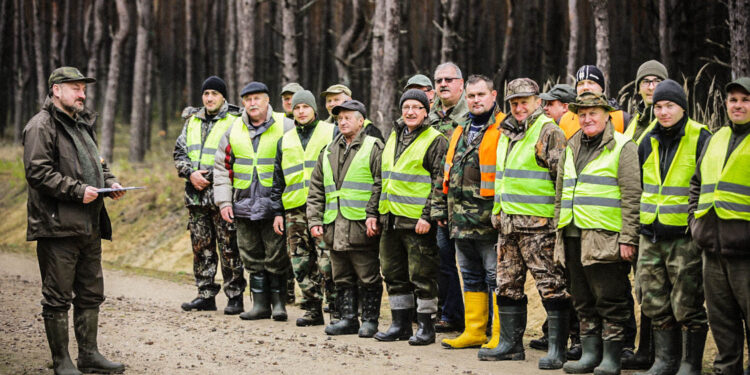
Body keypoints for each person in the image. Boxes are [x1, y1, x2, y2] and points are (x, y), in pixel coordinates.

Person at [23, 66, 126, 375]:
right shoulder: (41, 126)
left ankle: (89, 355)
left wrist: (111, 182)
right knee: (57, 297)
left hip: (89, 225)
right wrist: (78, 191)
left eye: (83, 89)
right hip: (57, 227)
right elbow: (38, 172)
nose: (82, 94)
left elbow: (96, 163)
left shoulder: (81, 124)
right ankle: (61, 362)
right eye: (76, 88)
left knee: (90, 292)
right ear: (56, 90)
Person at [477, 78, 571, 370]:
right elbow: (503, 177)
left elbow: (562, 182)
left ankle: (558, 350)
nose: (518, 107)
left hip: (539, 227)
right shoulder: (506, 133)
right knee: (507, 286)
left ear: (538, 102)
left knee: (551, 286)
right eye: (514, 102)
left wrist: (559, 223)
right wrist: (497, 210)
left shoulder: (549, 132)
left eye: (524, 101)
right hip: (508, 226)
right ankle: (510, 345)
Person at [555, 92, 641, 375]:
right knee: (582, 299)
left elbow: (632, 196)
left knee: (611, 299)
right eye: (582, 114)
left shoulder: (622, 146)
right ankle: (590, 354)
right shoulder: (572, 144)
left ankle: (612, 357)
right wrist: (559, 227)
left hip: (605, 236)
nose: (587, 118)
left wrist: (629, 238)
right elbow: (561, 191)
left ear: (607, 115)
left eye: (593, 113)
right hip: (572, 233)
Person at [636, 79, 711, 375]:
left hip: (684, 236)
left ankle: (690, 364)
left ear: (682, 107)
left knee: (687, 303)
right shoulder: (647, 139)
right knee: (652, 300)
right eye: (658, 106)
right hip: (651, 235)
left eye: (669, 106)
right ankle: (664, 361)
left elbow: (707, 187)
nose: (663, 112)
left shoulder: (701, 137)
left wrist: (697, 228)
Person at [435, 74, 505, 350]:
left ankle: (501, 334)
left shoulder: (504, 128)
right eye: (472, 96)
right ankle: (474, 331)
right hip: (461, 221)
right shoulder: (460, 128)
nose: (476, 100)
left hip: (489, 221)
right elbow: (447, 171)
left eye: (481, 95)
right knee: (471, 277)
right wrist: (444, 209)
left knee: (495, 278)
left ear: (493, 95)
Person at [213, 81, 294, 322]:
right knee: (250, 256)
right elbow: (222, 168)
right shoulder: (233, 129)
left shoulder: (285, 125)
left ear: (267, 100)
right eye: (247, 99)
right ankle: (259, 305)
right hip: (243, 205)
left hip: (274, 205)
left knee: (276, 256)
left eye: (257, 98)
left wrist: (285, 205)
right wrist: (224, 202)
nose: (252, 103)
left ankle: (279, 305)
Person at [307, 100, 385, 338]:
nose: (342, 122)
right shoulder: (328, 150)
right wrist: (314, 220)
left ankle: (370, 320)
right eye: (339, 118)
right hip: (333, 225)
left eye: (348, 117)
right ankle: (348, 319)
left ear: (361, 121)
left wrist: (373, 214)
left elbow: (380, 184)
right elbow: (317, 189)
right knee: (340, 276)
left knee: (368, 275)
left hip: (361, 225)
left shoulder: (374, 147)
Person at [375, 89, 447, 345]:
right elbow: (381, 178)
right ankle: (399, 324)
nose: (410, 112)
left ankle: (426, 327)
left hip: (417, 222)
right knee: (393, 274)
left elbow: (440, 182)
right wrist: (373, 212)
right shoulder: (394, 135)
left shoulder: (435, 139)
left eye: (417, 107)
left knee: (422, 276)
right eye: (406, 107)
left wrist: (427, 216)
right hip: (390, 219)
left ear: (426, 111)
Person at [689, 77, 750, 375]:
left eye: (745, 100)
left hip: (745, 252)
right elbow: (697, 184)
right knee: (722, 322)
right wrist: (694, 222)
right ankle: (727, 370)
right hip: (712, 250)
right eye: (733, 100)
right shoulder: (716, 138)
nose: (738, 105)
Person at [174, 76, 247, 315]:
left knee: (229, 248)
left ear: (223, 96)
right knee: (201, 247)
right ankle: (205, 294)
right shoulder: (192, 121)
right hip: (195, 198)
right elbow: (179, 152)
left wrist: (214, 178)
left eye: (214, 94)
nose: (209, 98)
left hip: (223, 196)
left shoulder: (235, 120)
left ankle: (235, 296)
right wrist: (190, 173)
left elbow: (240, 156)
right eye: (206, 94)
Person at [271, 90, 337, 327]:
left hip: (324, 207)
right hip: (294, 209)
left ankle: (337, 310)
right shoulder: (285, 140)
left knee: (327, 261)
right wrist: (277, 212)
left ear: (314, 109)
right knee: (300, 262)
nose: (300, 111)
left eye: (305, 107)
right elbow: (278, 179)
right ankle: (312, 309)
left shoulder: (331, 132)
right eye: (296, 107)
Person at [531, 82, 582, 360]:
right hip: (557, 218)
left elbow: (559, 179)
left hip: (562, 219)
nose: (546, 108)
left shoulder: (563, 133)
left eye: (551, 104)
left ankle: (575, 337)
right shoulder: (557, 130)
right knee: (561, 279)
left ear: (565, 106)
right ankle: (554, 331)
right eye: (545, 104)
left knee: (567, 281)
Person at [428, 62, 469, 334]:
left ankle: (479, 320)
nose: (443, 84)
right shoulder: (429, 116)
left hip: (467, 203)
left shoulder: (471, 114)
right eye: (439, 80)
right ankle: (451, 313)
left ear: (461, 84)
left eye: (449, 79)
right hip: (437, 200)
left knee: (471, 265)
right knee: (444, 261)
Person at [558, 65, 632, 137]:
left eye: (591, 83)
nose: (585, 87)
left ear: (602, 88)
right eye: (581, 84)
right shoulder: (563, 120)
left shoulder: (623, 119)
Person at [624, 60, 668, 144]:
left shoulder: (670, 120)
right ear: (638, 89)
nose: (651, 87)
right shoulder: (633, 120)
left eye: (657, 81)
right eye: (646, 81)